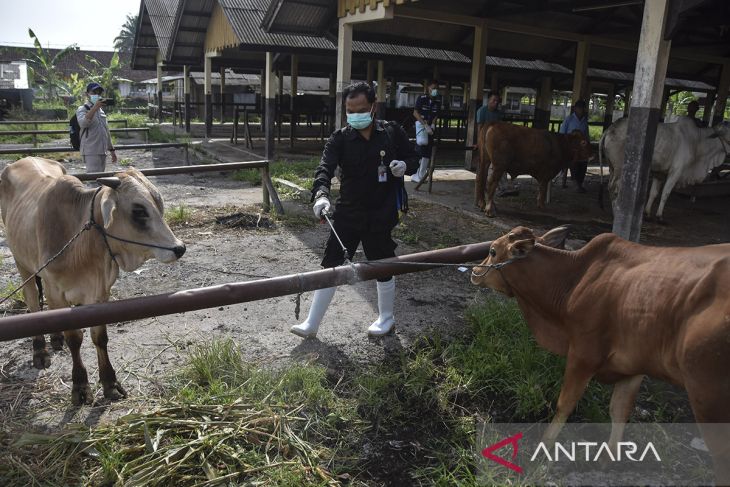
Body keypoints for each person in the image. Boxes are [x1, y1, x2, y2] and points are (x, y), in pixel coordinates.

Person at [290, 81, 419, 339]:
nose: (355, 115)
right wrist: (321, 195)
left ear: (372, 107)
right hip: (348, 212)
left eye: (361, 109)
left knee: (382, 263)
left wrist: (404, 165)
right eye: (350, 110)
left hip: (381, 213)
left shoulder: (392, 132)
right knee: (331, 264)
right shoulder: (340, 138)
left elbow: (414, 159)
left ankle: (386, 317)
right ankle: (312, 323)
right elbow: (324, 168)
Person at [476, 92, 518, 196]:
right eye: (493, 100)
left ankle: (502, 187)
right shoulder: (482, 111)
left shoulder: (498, 114)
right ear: (488, 100)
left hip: (497, 143)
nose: (495, 103)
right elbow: (480, 128)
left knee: (500, 164)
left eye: (497, 101)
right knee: (486, 166)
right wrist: (479, 143)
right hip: (485, 141)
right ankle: (485, 188)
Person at [76, 82, 116, 172]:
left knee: (101, 178)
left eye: (99, 93)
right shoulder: (82, 109)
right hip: (91, 150)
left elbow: (106, 131)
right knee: (93, 179)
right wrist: (94, 108)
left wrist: (112, 150)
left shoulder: (101, 111)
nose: (97, 95)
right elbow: (82, 123)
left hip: (103, 150)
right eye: (94, 92)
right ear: (87, 94)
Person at [411, 79, 441, 183]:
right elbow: (415, 113)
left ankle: (422, 175)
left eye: (437, 88)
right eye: (433, 88)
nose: (435, 90)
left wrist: (433, 123)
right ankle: (417, 174)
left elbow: (436, 114)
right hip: (421, 126)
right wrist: (425, 124)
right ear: (428, 88)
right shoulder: (422, 98)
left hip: (430, 128)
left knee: (428, 150)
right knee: (421, 146)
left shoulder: (438, 101)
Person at [559, 99, 589, 192]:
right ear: (575, 109)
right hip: (570, 146)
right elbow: (561, 134)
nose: (581, 110)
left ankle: (580, 182)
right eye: (579, 108)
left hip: (581, 147)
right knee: (574, 160)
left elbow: (587, 136)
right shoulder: (569, 119)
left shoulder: (584, 121)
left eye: (583, 108)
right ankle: (575, 183)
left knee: (584, 160)